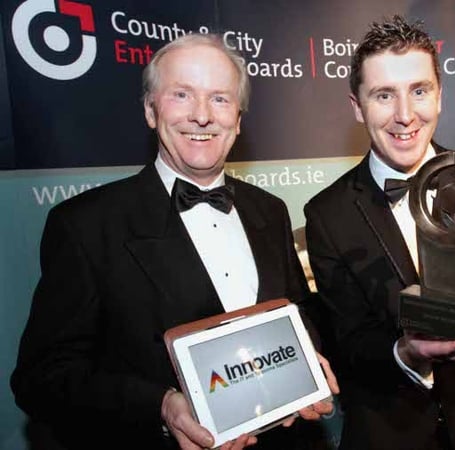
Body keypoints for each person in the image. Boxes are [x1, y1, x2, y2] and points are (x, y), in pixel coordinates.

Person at [11, 33, 338, 450]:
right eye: (182, 95)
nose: (202, 116)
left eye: (219, 98)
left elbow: (299, 309)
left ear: (238, 119)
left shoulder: (270, 211)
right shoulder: (86, 225)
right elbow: (43, 377)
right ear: (150, 110)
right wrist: (161, 406)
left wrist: (308, 361)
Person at [303, 15, 455, 450]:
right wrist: (405, 353)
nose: (405, 115)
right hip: (390, 435)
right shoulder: (326, 214)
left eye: (419, 91)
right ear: (357, 106)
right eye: (384, 95)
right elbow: (348, 343)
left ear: (440, 96)